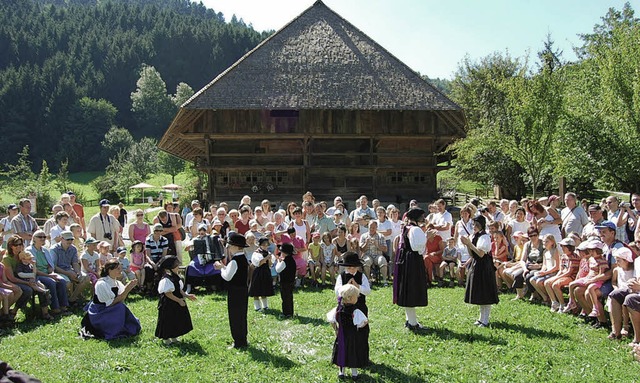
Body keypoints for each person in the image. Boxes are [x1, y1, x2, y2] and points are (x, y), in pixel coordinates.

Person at [79, 258, 140, 340]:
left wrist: (127, 289)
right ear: (109, 270)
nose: (120, 271)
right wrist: (127, 290)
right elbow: (109, 303)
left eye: (120, 269)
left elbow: (121, 299)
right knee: (120, 307)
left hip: (111, 308)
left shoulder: (117, 283)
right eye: (117, 269)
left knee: (121, 306)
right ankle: (113, 330)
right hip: (99, 312)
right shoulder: (102, 284)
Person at [393, 208, 428, 330]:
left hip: (406, 260)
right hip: (413, 261)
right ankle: (412, 323)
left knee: (408, 289)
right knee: (411, 290)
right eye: (422, 216)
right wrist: (426, 237)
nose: (424, 218)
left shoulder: (406, 228)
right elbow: (418, 248)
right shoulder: (415, 229)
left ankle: (410, 320)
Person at [460, 215, 499, 327]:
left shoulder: (485, 237)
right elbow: (472, 253)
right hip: (477, 265)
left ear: (481, 225)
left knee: (485, 293)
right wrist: (467, 244)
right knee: (481, 293)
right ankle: (481, 318)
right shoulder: (475, 235)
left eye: (476, 225)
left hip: (484, 266)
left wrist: (469, 244)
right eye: (473, 225)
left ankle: (485, 319)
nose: (474, 227)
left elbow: (481, 253)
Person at [214, 233, 250, 349]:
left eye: (229, 245)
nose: (228, 247)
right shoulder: (243, 258)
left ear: (235, 246)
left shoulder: (235, 260)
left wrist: (220, 268)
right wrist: (224, 267)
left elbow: (227, 277)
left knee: (235, 316)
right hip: (243, 290)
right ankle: (243, 339)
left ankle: (238, 341)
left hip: (235, 291)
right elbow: (232, 272)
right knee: (242, 315)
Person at [327, 284, 369, 381]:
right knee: (352, 353)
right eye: (356, 296)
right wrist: (361, 326)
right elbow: (363, 322)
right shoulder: (355, 311)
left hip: (341, 336)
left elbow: (331, 319)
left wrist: (336, 329)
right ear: (350, 298)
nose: (358, 298)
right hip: (352, 337)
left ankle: (341, 372)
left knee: (342, 352)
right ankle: (354, 373)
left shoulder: (338, 308)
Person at [27, 229, 70, 316]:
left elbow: (50, 265)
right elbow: (33, 269)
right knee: (51, 282)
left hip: (47, 274)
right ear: (34, 238)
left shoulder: (45, 250)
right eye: (40, 237)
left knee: (61, 281)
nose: (43, 238)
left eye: (44, 237)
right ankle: (55, 308)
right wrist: (49, 276)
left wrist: (51, 273)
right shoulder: (29, 251)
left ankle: (64, 306)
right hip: (36, 275)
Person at [155, 256, 195, 345]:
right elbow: (168, 293)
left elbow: (178, 289)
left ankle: (174, 336)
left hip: (176, 302)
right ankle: (166, 338)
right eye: (176, 265)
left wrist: (186, 295)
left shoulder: (176, 277)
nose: (178, 267)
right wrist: (179, 300)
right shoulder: (166, 279)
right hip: (169, 304)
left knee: (176, 319)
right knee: (168, 320)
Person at [606, 247, 635, 339]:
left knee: (625, 303)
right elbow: (614, 281)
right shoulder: (617, 270)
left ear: (626, 260)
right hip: (619, 290)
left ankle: (625, 326)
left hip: (630, 290)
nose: (617, 263)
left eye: (619, 260)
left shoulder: (633, 270)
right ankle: (614, 328)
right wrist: (615, 288)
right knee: (612, 299)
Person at [544, 237, 580, 313]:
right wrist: (557, 276)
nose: (562, 248)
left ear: (569, 247)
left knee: (555, 285)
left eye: (564, 246)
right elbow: (561, 269)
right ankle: (554, 302)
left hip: (571, 277)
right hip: (563, 275)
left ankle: (562, 305)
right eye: (562, 246)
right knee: (547, 282)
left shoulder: (574, 257)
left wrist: (557, 278)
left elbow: (569, 272)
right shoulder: (563, 256)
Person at [15, 251, 52, 320]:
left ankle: (44, 291)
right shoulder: (20, 265)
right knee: (33, 286)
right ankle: (43, 291)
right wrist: (31, 275)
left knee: (39, 284)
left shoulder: (30, 265)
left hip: (32, 278)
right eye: (29, 259)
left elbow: (34, 273)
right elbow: (20, 274)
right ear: (23, 259)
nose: (31, 260)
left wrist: (34, 266)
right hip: (25, 280)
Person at [248, 237, 275, 311]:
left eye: (266, 245)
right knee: (256, 290)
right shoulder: (256, 253)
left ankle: (265, 306)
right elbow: (259, 263)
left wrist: (269, 260)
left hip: (266, 271)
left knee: (264, 289)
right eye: (263, 245)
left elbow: (270, 264)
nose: (265, 246)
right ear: (260, 245)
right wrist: (266, 258)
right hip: (258, 272)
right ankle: (257, 307)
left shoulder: (268, 253)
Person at [359, 220, 388, 286]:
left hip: (377, 255)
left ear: (376, 227)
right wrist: (366, 243)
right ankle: (368, 280)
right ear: (368, 227)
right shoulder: (363, 236)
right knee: (366, 262)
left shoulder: (381, 236)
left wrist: (377, 245)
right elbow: (361, 249)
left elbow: (385, 249)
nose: (372, 229)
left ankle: (384, 281)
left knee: (382, 260)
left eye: (373, 227)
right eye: (370, 227)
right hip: (367, 254)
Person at [274, 242, 296, 319]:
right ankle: (290, 312)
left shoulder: (284, 261)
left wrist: (278, 261)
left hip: (285, 282)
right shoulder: (292, 260)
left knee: (285, 297)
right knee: (289, 297)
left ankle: (286, 313)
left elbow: (277, 269)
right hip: (291, 281)